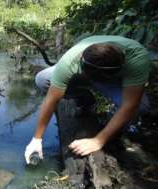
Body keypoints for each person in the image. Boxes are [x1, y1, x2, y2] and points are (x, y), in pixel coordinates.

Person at [24, 35, 151, 164]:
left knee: (140, 107)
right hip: (86, 74)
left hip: (113, 80)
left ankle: (114, 128)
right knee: (42, 79)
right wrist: (37, 139)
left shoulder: (137, 59)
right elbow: (51, 100)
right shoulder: (71, 61)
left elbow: (130, 105)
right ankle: (84, 97)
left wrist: (98, 140)